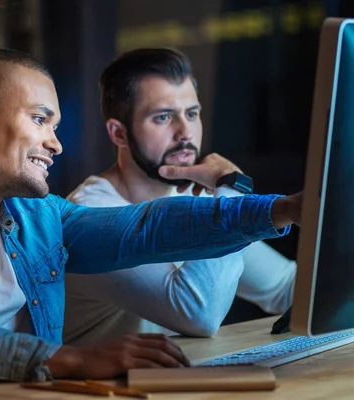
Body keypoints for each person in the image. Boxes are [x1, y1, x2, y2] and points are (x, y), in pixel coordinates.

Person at [0, 48, 301, 398]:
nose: (56, 144)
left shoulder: (42, 218)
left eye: (56, 127)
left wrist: (280, 209)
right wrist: (63, 359)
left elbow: (147, 227)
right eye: (40, 120)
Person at [63, 48, 297, 347]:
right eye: (163, 117)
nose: (185, 132)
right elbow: (199, 315)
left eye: (192, 114)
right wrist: (233, 188)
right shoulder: (90, 213)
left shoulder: (191, 198)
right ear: (118, 133)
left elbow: (283, 287)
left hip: (172, 383)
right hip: (102, 391)